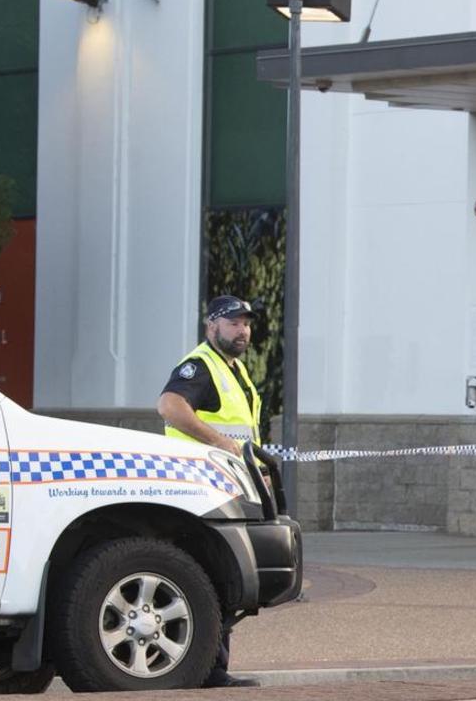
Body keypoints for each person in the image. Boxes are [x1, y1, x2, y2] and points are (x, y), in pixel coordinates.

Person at [157, 294, 263, 688]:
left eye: (246, 323)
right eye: (233, 322)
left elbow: (244, 434)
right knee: (209, 576)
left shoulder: (234, 371)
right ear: (211, 326)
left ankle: (210, 667)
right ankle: (209, 670)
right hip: (196, 487)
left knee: (220, 578)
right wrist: (218, 442)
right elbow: (170, 406)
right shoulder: (200, 366)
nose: (242, 330)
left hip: (227, 484)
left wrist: (256, 471)